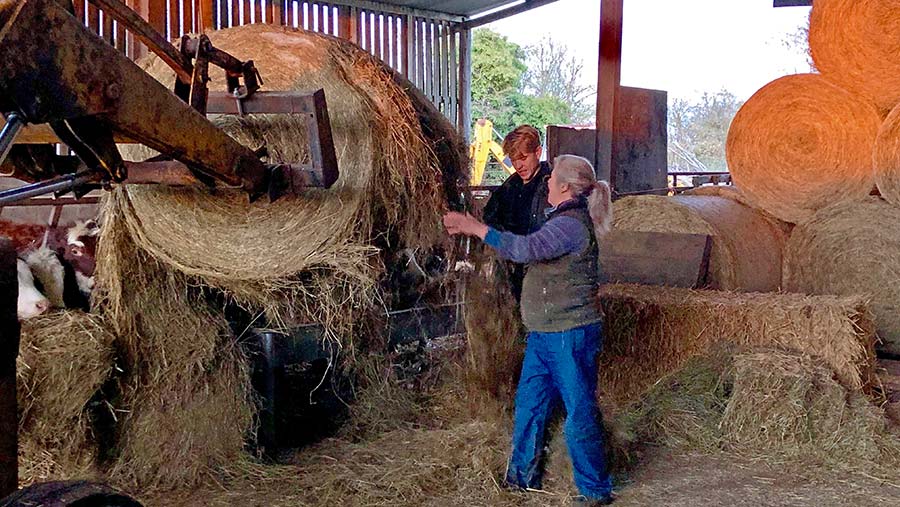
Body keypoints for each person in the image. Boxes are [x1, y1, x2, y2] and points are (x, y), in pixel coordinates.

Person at [444, 155, 615, 506]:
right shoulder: (560, 219)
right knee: (530, 405)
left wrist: (474, 227)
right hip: (544, 332)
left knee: (579, 409)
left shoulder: (570, 225)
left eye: (552, 179)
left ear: (564, 187)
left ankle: (595, 490)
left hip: (569, 333)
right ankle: (521, 477)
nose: (547, 183)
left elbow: (524, 249)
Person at [481, 125, 552, 300]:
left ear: (538, 152)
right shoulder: (510, 185)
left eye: (523, 158)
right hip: (514, 264)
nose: (518, 165)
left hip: (542, 269)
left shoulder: (552, 184)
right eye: (513, 160)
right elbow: (490, 216)